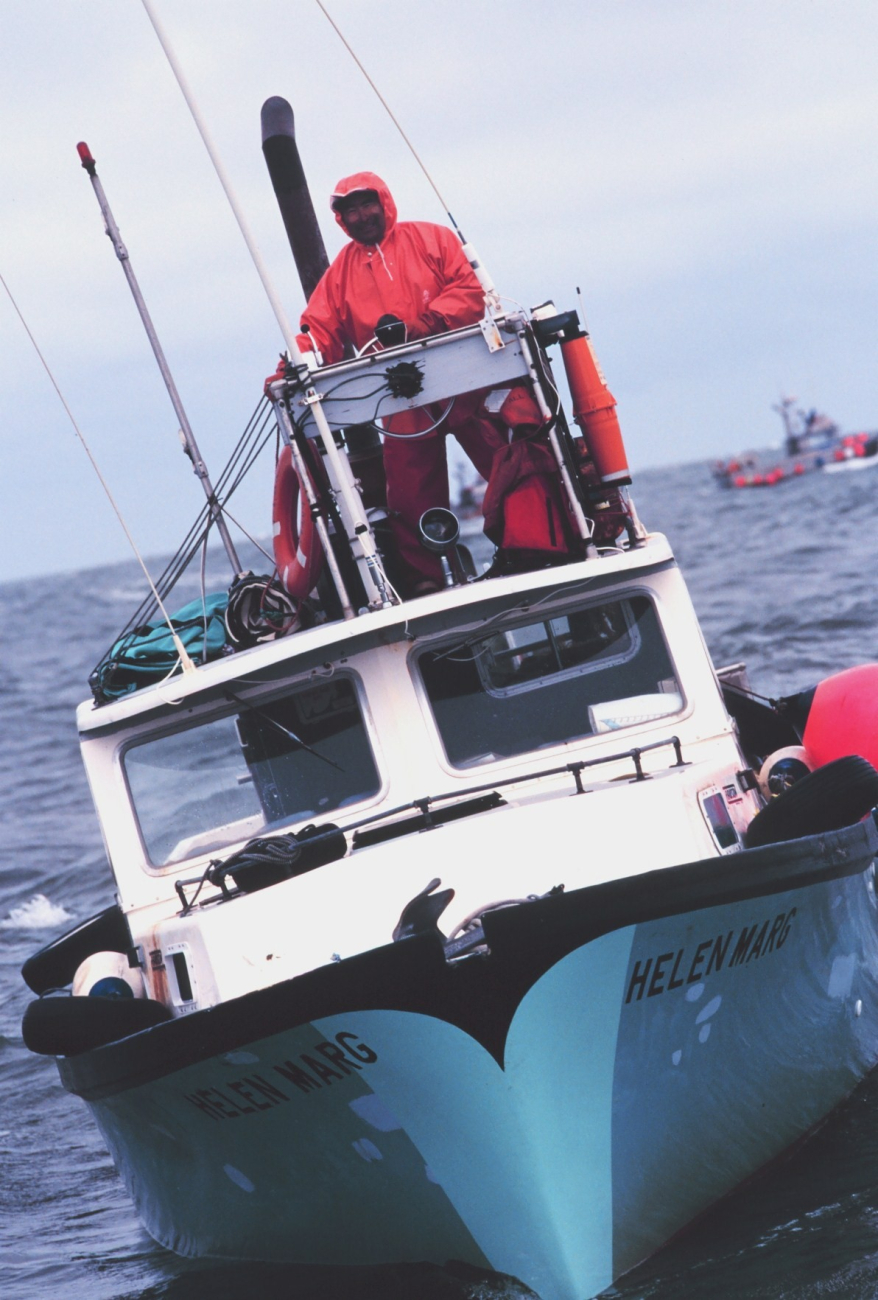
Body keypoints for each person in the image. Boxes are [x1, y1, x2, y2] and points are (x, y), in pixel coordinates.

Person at [298, 171, 541, 593]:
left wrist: (424, 324)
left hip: (467, 383)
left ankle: (536, 546)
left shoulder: (432, 238)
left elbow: (470, 290)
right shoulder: (340, 274)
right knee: (409, 496)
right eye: (349, 210)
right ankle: (423, 581)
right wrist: (294, 363)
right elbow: (319, 331)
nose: (360, 216)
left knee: (509, 464)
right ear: (341, 219)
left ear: (384, 201)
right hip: (401, 399)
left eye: (366, 204)